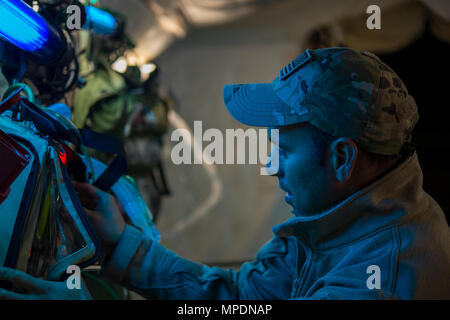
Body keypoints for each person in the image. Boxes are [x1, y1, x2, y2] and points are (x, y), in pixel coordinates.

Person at [1, 47, 450, 300]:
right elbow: (239, 302)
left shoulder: (383, 277)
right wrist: (125, 246)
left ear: (342, 159)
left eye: (283, 150)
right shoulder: (341, 222)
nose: (270, 167)